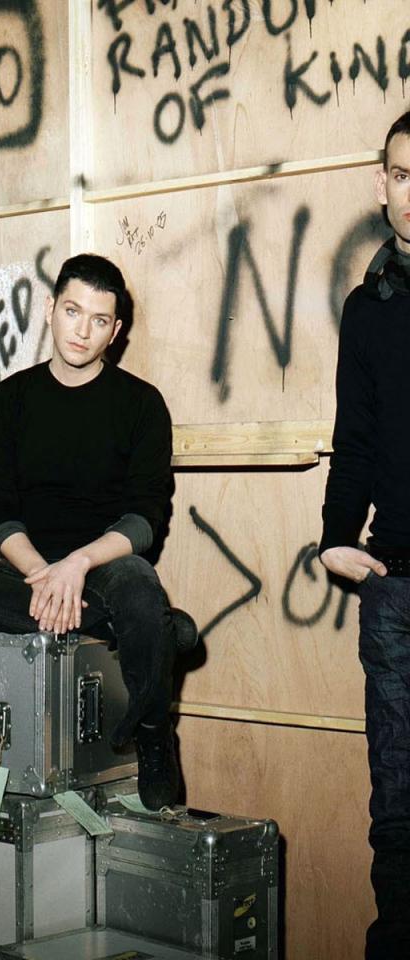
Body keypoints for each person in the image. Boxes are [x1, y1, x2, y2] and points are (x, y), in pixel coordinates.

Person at [0, 253, 197, 810]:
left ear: (115, 331)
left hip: (104, 569)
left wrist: (77, 565)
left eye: (99, 320)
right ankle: (151, 631)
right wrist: (44, 575)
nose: (82, 330)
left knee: (139, 584)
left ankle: (153, 735)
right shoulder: (10, 400)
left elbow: (145, 519)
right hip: (30, 574)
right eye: (73, 311)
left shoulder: (142, 404)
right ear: (50, 309)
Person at [319, 112, 410, 959]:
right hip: (397, 590)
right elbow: (355, 441)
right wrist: (334, 536)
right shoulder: (369, 307)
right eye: (404, 175)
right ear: (382, 183)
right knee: (400, 813)